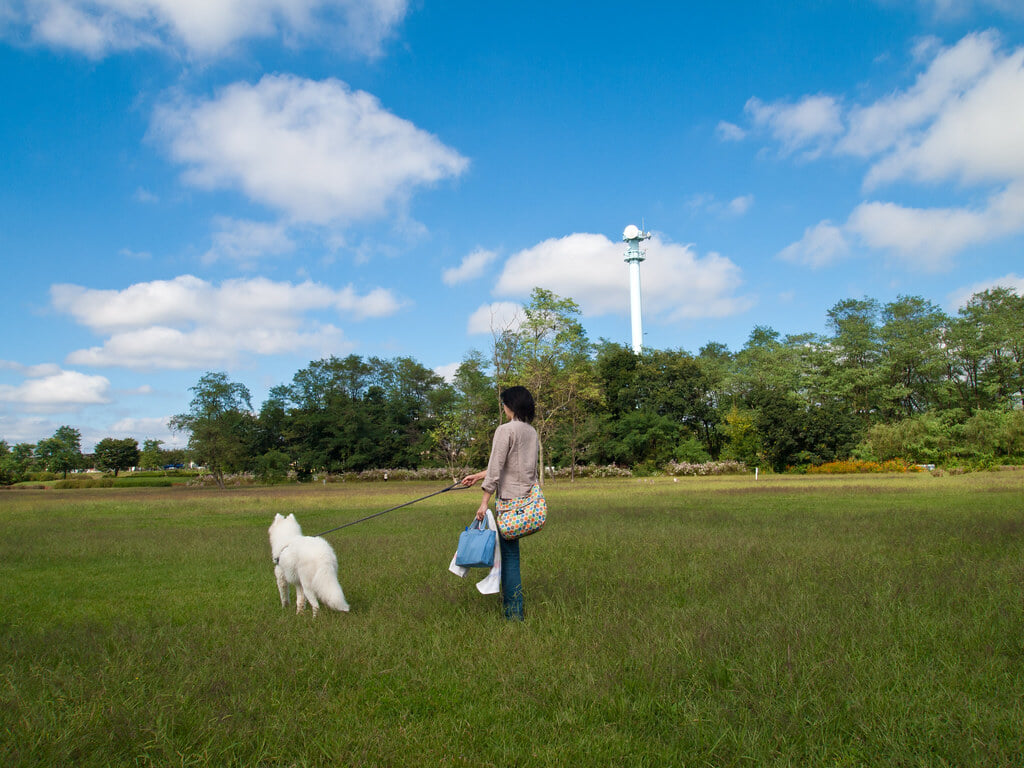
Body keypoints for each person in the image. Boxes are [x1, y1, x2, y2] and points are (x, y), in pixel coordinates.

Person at [461, 385, 539, 621]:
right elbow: (512, 465)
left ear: (511, 405)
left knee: (509, 557)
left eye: (504, 404)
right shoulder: (531, 432)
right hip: (526, 502)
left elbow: (497, 468)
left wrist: (484, 502)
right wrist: (477, 475)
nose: (503, 408)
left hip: (507, 503)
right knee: (510, 554)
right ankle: (511, 605)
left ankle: (514, 612)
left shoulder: (504, 430)